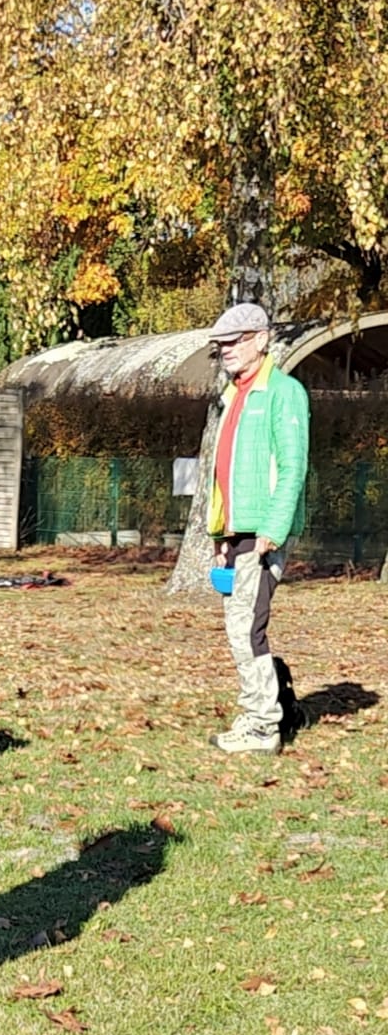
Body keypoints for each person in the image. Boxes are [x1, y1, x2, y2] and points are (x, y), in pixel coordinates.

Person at [206, 302, 309, 754]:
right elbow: (226, 471)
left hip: (263, 532)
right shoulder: (233, 394)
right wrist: (221, 535)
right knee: (242, 625)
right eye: (221, 344)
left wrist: (273, 528)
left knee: (246, 629)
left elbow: (292, 467)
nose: (226, 350)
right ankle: (272, 706)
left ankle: (264, 725)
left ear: (261, 339)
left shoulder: (284, 392)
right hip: (237, 532)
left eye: (235, 340)